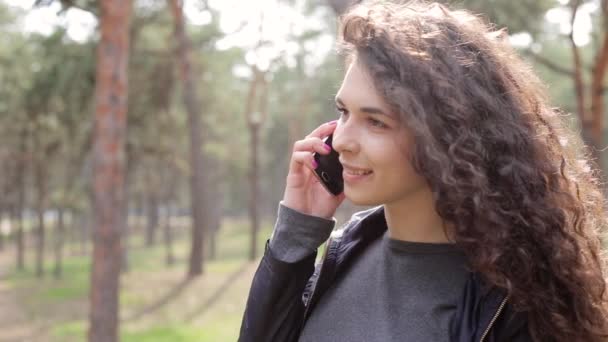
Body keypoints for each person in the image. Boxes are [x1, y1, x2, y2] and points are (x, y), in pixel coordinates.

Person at [238, 1, 608, 341]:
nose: (341, 141)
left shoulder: (518, 306)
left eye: (376, 122)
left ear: (447, 136)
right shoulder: (344, 253)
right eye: (343, 112)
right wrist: (296, 234)